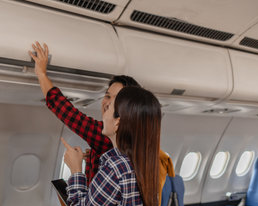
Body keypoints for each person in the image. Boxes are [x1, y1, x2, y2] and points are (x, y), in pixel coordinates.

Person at [28, 42, 174, 189]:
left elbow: (67, 112)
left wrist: (41, 74)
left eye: (115, 99)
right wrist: (92, 157)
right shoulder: (135, 141)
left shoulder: (109, 137)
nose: (107, 103)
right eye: (107, 96)